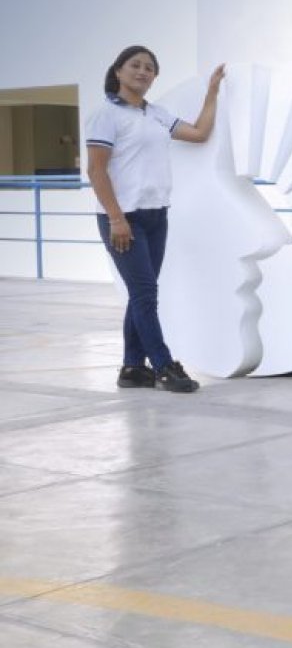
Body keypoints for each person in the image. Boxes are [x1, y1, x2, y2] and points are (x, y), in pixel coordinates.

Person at [85, 46, 224, 393]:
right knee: (146, 295)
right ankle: (164, 366)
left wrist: (212, 92)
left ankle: (132, 369)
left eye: (150, 68)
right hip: (123, 219)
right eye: (135, 65)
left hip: (156, 216)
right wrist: (117, 219)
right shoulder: (106, 115)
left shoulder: (157, 114)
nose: (143, 72)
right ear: (118, 71)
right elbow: (96, 170)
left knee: (140, 295)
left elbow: (199, 133)